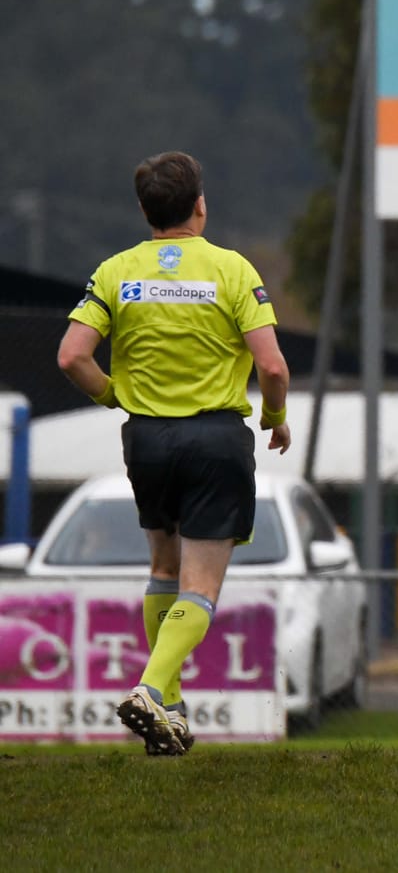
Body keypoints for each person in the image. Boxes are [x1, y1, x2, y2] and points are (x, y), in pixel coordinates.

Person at [56, 151, 290, 755]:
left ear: (145, 211)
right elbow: (272, 368)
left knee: (163, 569)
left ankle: (172, 714)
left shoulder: (116, 271)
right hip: (214, 440)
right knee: (200, 586)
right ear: (200, 206)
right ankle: (151, 688)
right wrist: (274, 417)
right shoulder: (231, 269)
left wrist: (112, 395)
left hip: (147, 440)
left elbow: (72, 356)